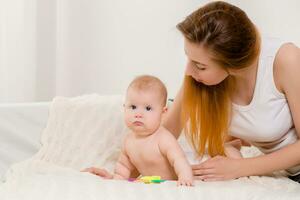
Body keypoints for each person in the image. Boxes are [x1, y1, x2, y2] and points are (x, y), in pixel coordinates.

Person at [162, 1, 300, 183]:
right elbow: (165, 134)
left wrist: (241, 168)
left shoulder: (286, 60)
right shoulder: (200, 75)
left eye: (200, 66)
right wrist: (124, 167)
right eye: (188, 58)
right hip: (289, 175)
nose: (188, 71)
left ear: (234, 67)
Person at [84, 75, 194, 186]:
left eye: (148, 108)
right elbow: (124, 166)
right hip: (149, 184)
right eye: (133, 107)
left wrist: (184, 177)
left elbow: (179, 159)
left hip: (169, 184)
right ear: (124, 107)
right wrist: (117, 179)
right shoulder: (129, 141)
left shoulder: (163, 138)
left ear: (163, 112)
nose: (138, 114)